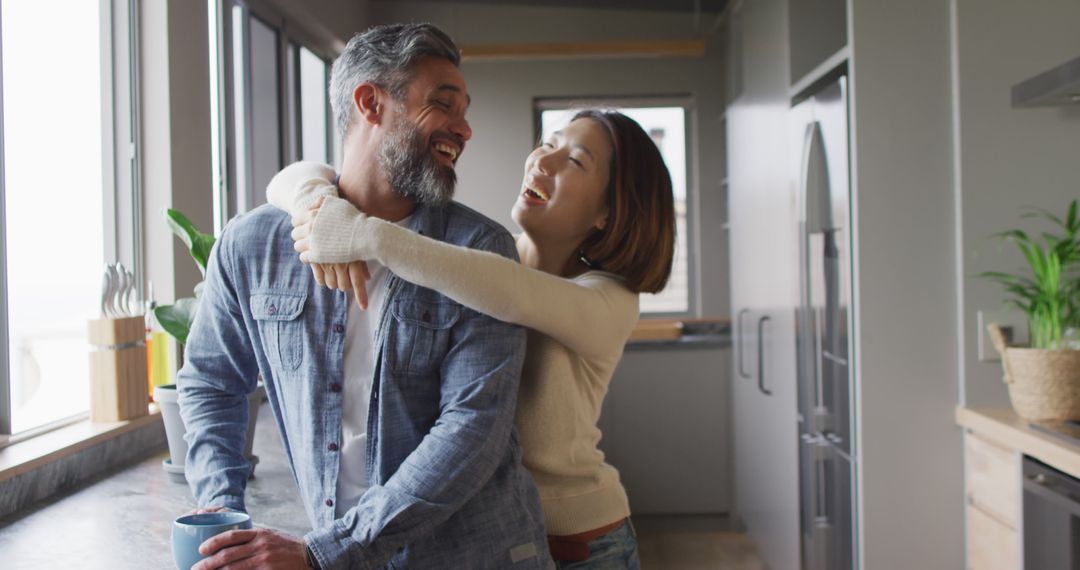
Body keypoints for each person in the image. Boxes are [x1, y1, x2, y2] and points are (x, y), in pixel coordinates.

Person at [177, 23, 551, 570]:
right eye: (443, 104)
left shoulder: (480, 250)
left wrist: (326, 552)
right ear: (370, 102)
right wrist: (222, 516)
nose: (464, 128)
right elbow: (211, 381)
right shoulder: (253, 245)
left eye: (463, 109)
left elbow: (472, 429)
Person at [269, 107, 677, 569]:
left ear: (608, 211)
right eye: (550, 143)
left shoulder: (611, 300)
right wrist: (313, 203)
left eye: (576, 161)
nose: (543, 162)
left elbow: (510, 292)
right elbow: (291, 177)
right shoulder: (478, 260)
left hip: (579, 545)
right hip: (489, 539)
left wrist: (362, 234)